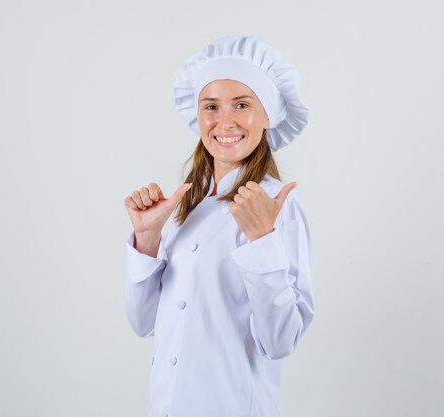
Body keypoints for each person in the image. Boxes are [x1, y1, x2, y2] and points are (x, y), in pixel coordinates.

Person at [122, 35, 315, 417]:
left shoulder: (277, 205)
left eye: (241, 105)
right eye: (211, 106)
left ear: (267, 116)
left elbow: (280, 341)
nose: (224, 121)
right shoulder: (187, 207)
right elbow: (142, 324)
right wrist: (147, 238)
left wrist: (262, 239)